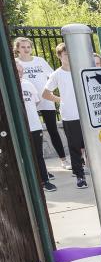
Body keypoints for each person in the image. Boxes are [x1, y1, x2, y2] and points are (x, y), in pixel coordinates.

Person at [14, 37, 69, 169]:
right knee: (30, 133)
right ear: (17, 49)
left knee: (52, 130)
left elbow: (53, 76)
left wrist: (54, 94)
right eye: (23, 47)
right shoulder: (15, 62)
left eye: (28, 47)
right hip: (28, 103)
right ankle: (39, 165)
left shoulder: (40, 61)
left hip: (45, 100)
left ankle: (63, 160)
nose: (26, 49)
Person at [42, 43, 87, 189]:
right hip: (70, 115)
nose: (69, 56)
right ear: (60, 56)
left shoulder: (80, 70)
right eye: (66, 54)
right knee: (74, 147)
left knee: (88, 145)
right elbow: (45, 94)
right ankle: (80, 176)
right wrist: (61, 99)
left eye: (70, 53)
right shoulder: (57, 74)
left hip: (85, 114)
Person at [17, 61, 56, 192]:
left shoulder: (28, 84)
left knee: (38, 155)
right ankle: (26, 183)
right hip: (19, 128)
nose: (20, 73)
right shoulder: (9, 87)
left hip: (34, 126)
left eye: (21, 71)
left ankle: (45, 181)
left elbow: (37, 102)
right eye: (17, 71)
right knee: (22, 156)